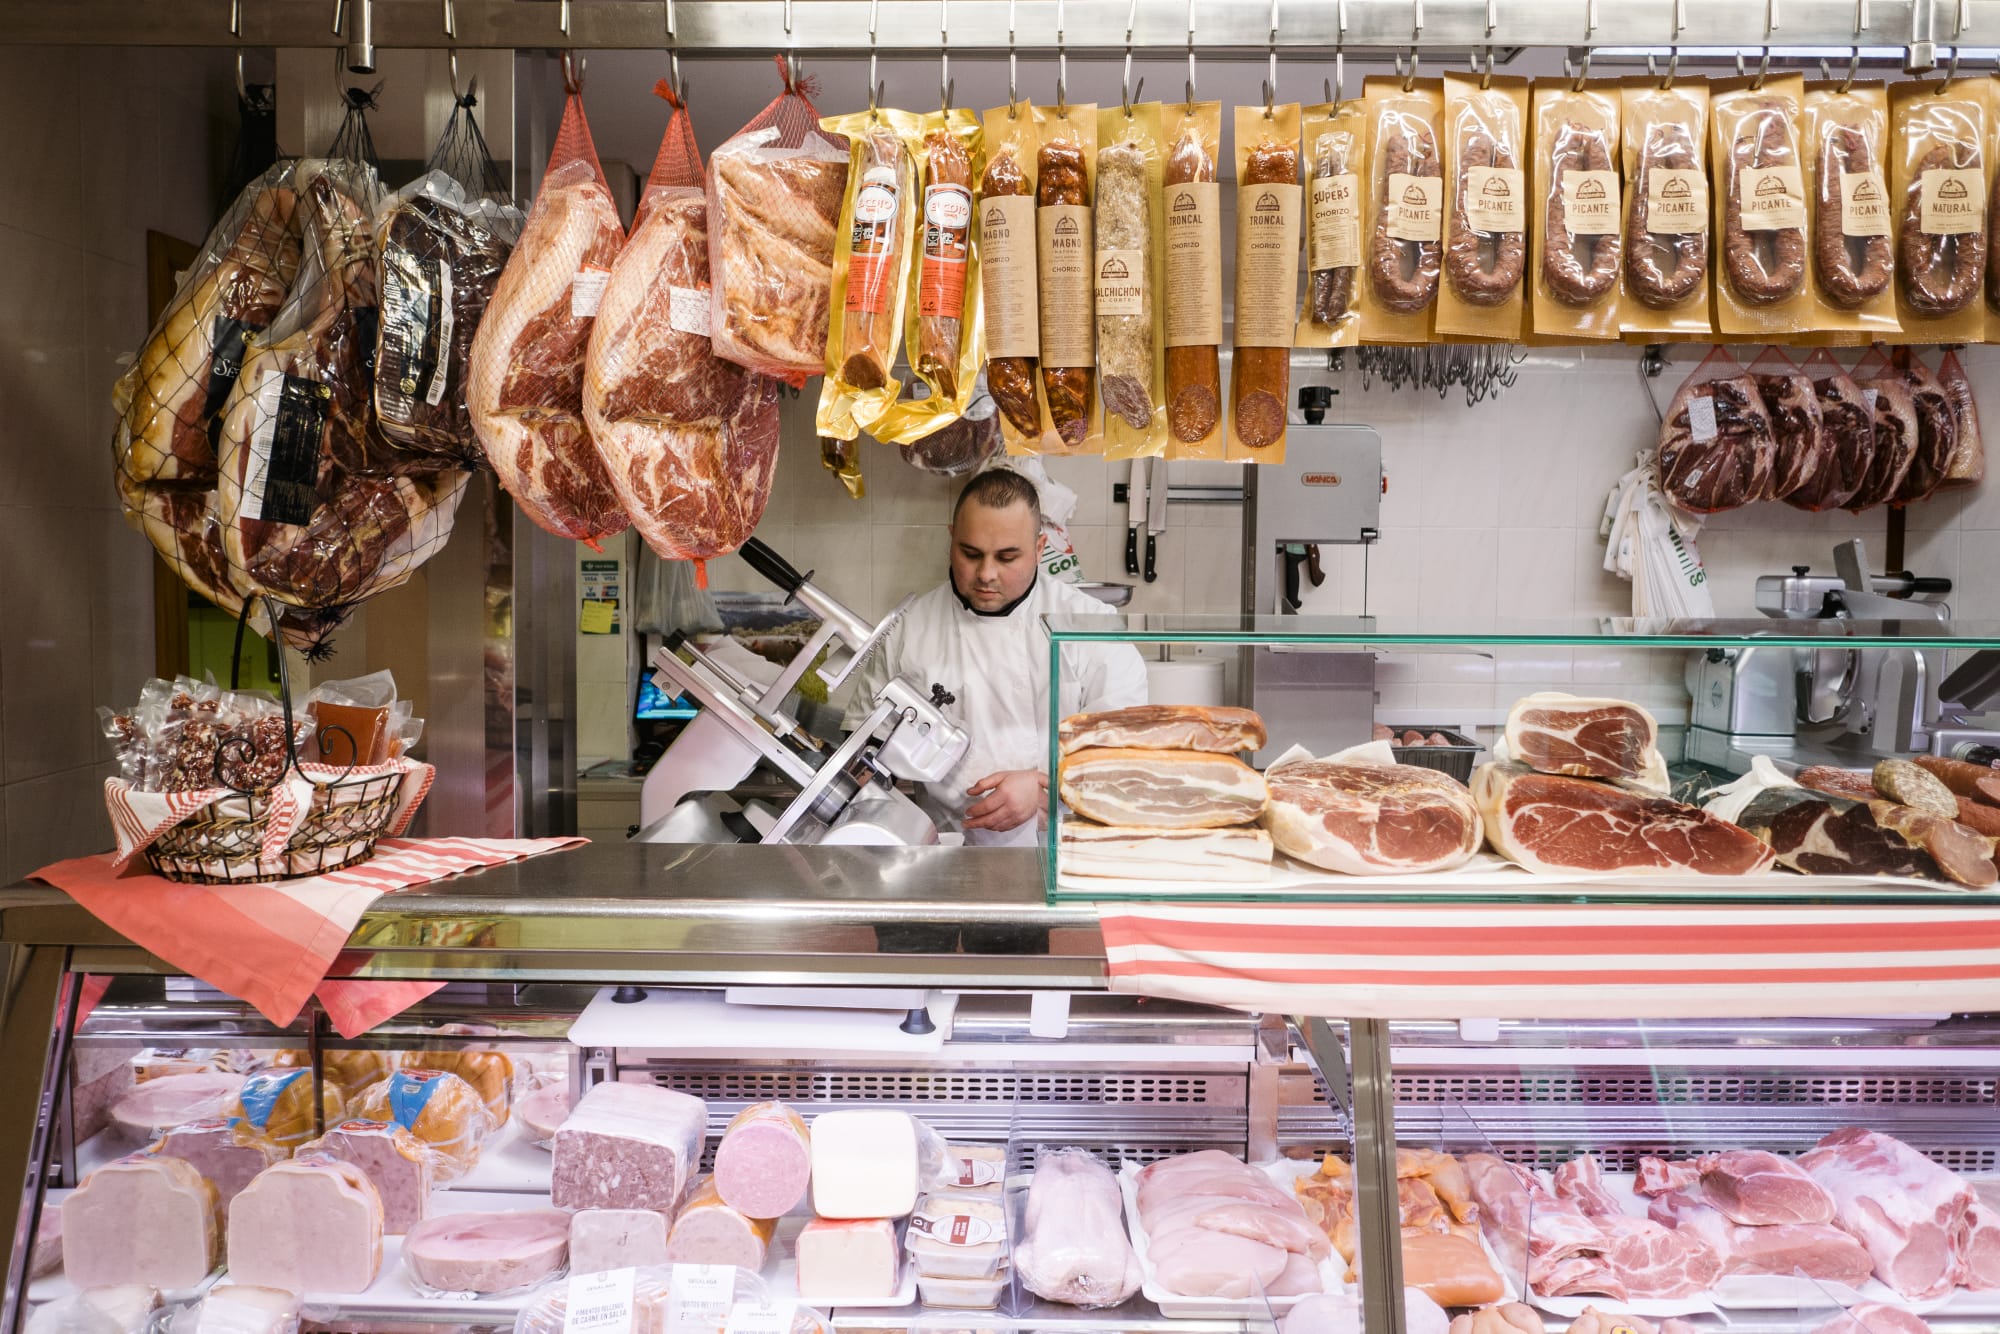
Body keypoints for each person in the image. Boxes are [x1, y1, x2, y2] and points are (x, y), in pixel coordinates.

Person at [842, 468, 1148, 848]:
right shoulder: (910, 629)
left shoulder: (1090, 625)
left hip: (1070, 851)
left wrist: (1045, 791)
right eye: (971, 554)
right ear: (951, 539)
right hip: (950, 853)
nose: (986, 574)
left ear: (1039, 548)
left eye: (1007, 557)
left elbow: (1127, 756)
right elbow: (861, 753)